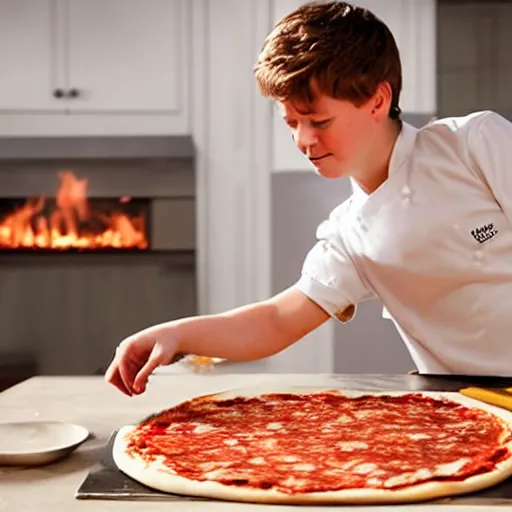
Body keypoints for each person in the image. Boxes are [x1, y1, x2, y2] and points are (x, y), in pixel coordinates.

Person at [106, 1, 512, 397]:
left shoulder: (476, 143)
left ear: (377, 100)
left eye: (320, 121)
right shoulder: (349, 233)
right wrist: (176, 335)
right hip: (472, 410)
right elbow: (276, 321)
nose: (304, 140)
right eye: (292, 122)